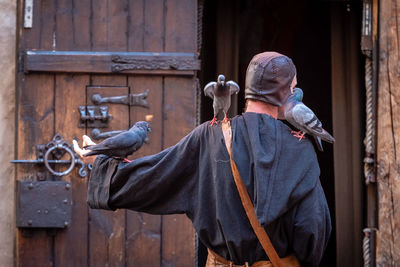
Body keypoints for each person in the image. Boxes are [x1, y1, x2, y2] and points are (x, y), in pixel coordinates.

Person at [74, 51, 331, 266]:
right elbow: (313, 227)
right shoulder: (300, 148)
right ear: (284, 91)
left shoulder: (208, 138)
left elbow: (154, 176)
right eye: (293, 87)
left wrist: (99, 159)